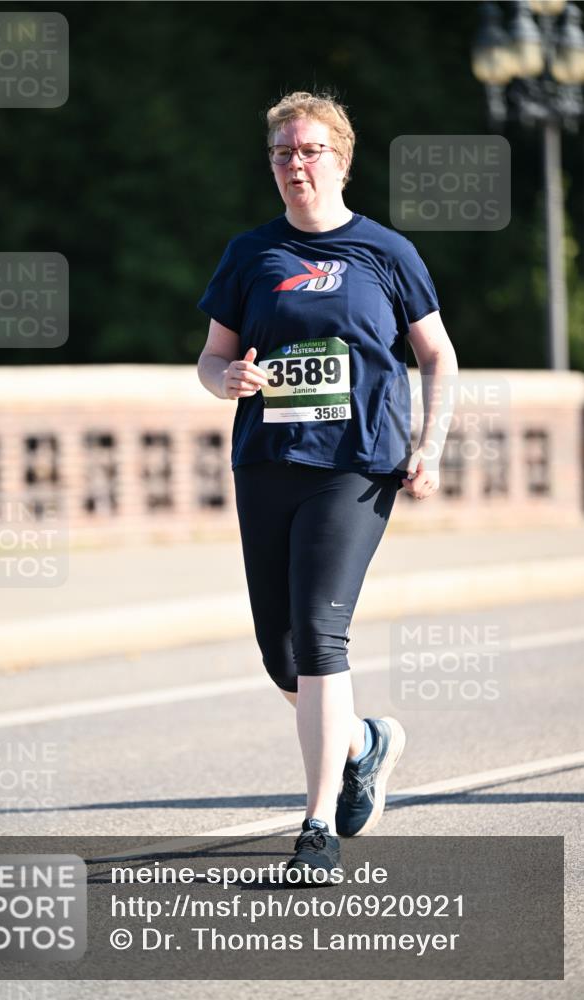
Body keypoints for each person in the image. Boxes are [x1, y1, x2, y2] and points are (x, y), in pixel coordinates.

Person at [197, 91, 458, 883]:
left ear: (340, 160)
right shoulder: (250, 253)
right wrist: (228, 378)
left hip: (355, 465)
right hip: (267, 464)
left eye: (309, 150)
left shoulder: (385, 252)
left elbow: (436, 355)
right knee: (279, 657)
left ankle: (314, 826)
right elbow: (211, 360)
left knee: (318, 634)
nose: (295, 165)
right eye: (282, 153)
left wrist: (431, 445)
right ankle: (364, 743)